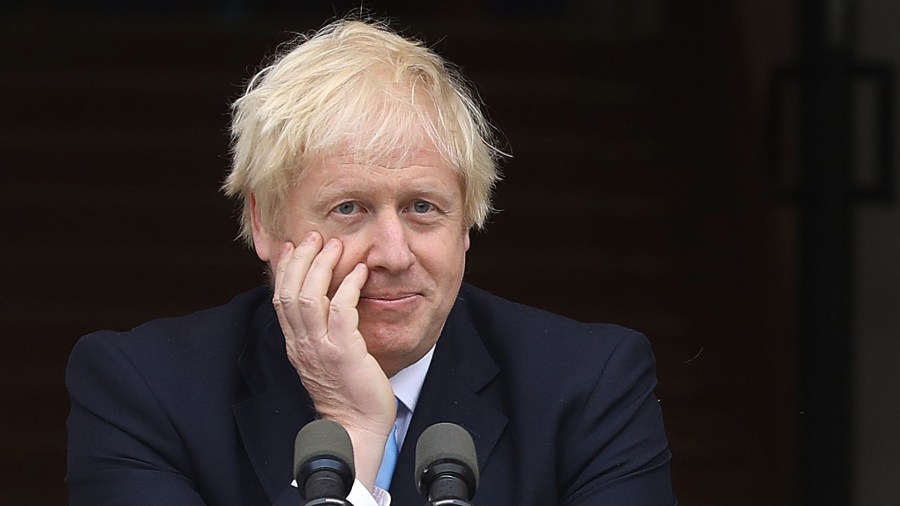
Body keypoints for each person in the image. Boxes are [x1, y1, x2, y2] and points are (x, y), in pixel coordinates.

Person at [66, 17, 676, 506]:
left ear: (467, 223)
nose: (392, 253)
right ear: (264, 221)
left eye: (422, 208)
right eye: (350, 208)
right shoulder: (142, 390)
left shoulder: (589, 386)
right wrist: (350, 431)